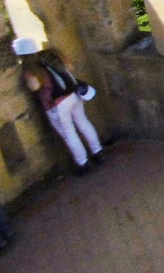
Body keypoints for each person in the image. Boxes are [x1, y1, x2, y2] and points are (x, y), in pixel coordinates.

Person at [13, 37, 104, 175]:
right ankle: (98, 152)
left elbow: (34, 86)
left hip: (56, 104)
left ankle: (83, 163)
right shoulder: (49, 56)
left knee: (69, 133)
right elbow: (70, 67)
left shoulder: (31, 69)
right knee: (83, 122)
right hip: (73, 95)